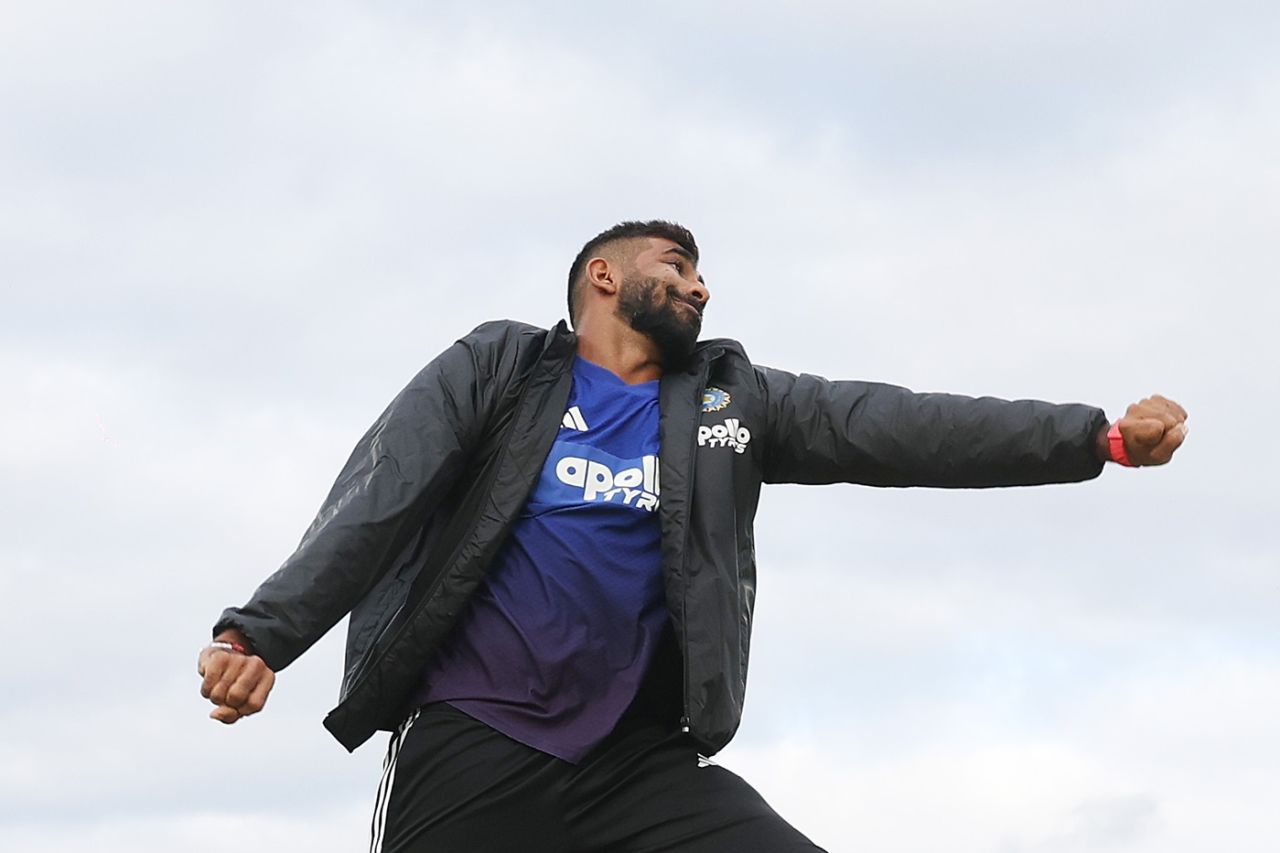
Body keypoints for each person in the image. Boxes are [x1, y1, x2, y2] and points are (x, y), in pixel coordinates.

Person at [198, 220, 1188, 852]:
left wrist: (1092, 436)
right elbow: (380, 492)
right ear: (600, 276)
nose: (699, 286)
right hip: (474, 742)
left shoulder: (727, 403)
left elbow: (895, 425)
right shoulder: (501, 370)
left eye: (702, 274)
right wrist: (262, 634)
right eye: (676, 266)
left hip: (634, 765)